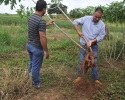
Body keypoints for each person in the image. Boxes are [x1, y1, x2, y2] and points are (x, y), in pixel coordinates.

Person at [72, 7, 106, 85]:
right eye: (95, 16)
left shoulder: (102, 25)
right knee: (81, 61)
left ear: (101, 16)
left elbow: (101, 36)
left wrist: (92, 41)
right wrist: (78, 31)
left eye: (99, 17)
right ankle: (80, 76)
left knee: (94, 62)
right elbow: (75, 22)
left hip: (93, 46)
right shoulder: (86, 18)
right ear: (93, 14)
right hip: (83, 45)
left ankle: (95, 79)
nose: (97, 19)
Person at [26, 0, 54, 88]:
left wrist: (47, 24)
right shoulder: (41, 20)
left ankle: (29, 78)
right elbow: (42, 37)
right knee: (36, 67)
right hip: (37, 48)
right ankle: (36, 83)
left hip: (29, 45)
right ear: (43, 9)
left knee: (31, 62)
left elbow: (36, 27)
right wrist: (46, 51)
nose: (45, 11)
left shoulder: (31, 17)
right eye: (45, 9)